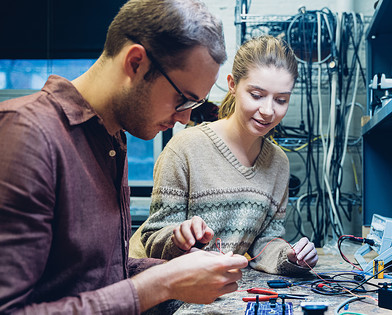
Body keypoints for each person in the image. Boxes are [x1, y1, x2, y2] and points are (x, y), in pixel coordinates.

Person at [0, 0, 248, 314]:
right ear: (135, 63)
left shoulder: (111, 138)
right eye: (183, 100)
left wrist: (183, 270)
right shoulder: (26, 133)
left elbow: (96, 275)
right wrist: (163, 283)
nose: (185, 119)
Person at [129, 35, 319, 275]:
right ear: (232, 85)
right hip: (156, 289)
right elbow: (153, 238)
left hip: (216, 289)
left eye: (281, 100)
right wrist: (180, 238)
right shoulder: (184, 148)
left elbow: (265, 242)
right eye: (257, 95)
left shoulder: (278, 163)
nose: (269, 111)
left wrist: (290, 256)